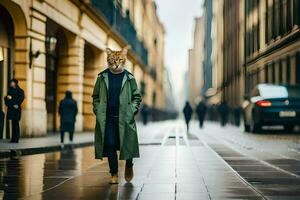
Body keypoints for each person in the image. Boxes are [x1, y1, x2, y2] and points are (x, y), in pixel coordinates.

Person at [92, 46, 142, 184]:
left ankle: (129, 165)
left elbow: (137, 97)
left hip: (125, 118)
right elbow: (95, 96)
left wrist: (131, 110)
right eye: (113, 60)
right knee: (110, 145)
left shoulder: (129, 78)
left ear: (124, 60)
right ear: (108, 60)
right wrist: (98, 109)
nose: (116, 63)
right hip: (107, 119)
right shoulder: (102, 77)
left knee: (128, 144)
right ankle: (113, 174)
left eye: (119, 60)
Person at [4, 79, 24, 143]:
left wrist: (16, 103)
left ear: (15, 83)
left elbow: (21, 98)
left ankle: (16, 138)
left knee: (16, 124)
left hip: (17, 110)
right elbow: (7, 102)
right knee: (13, 124)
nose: (10, 84)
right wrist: (7, 98)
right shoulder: (9, 91)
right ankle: (13, 139)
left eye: (12, 82)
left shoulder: (20, 91)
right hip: (12, 110)